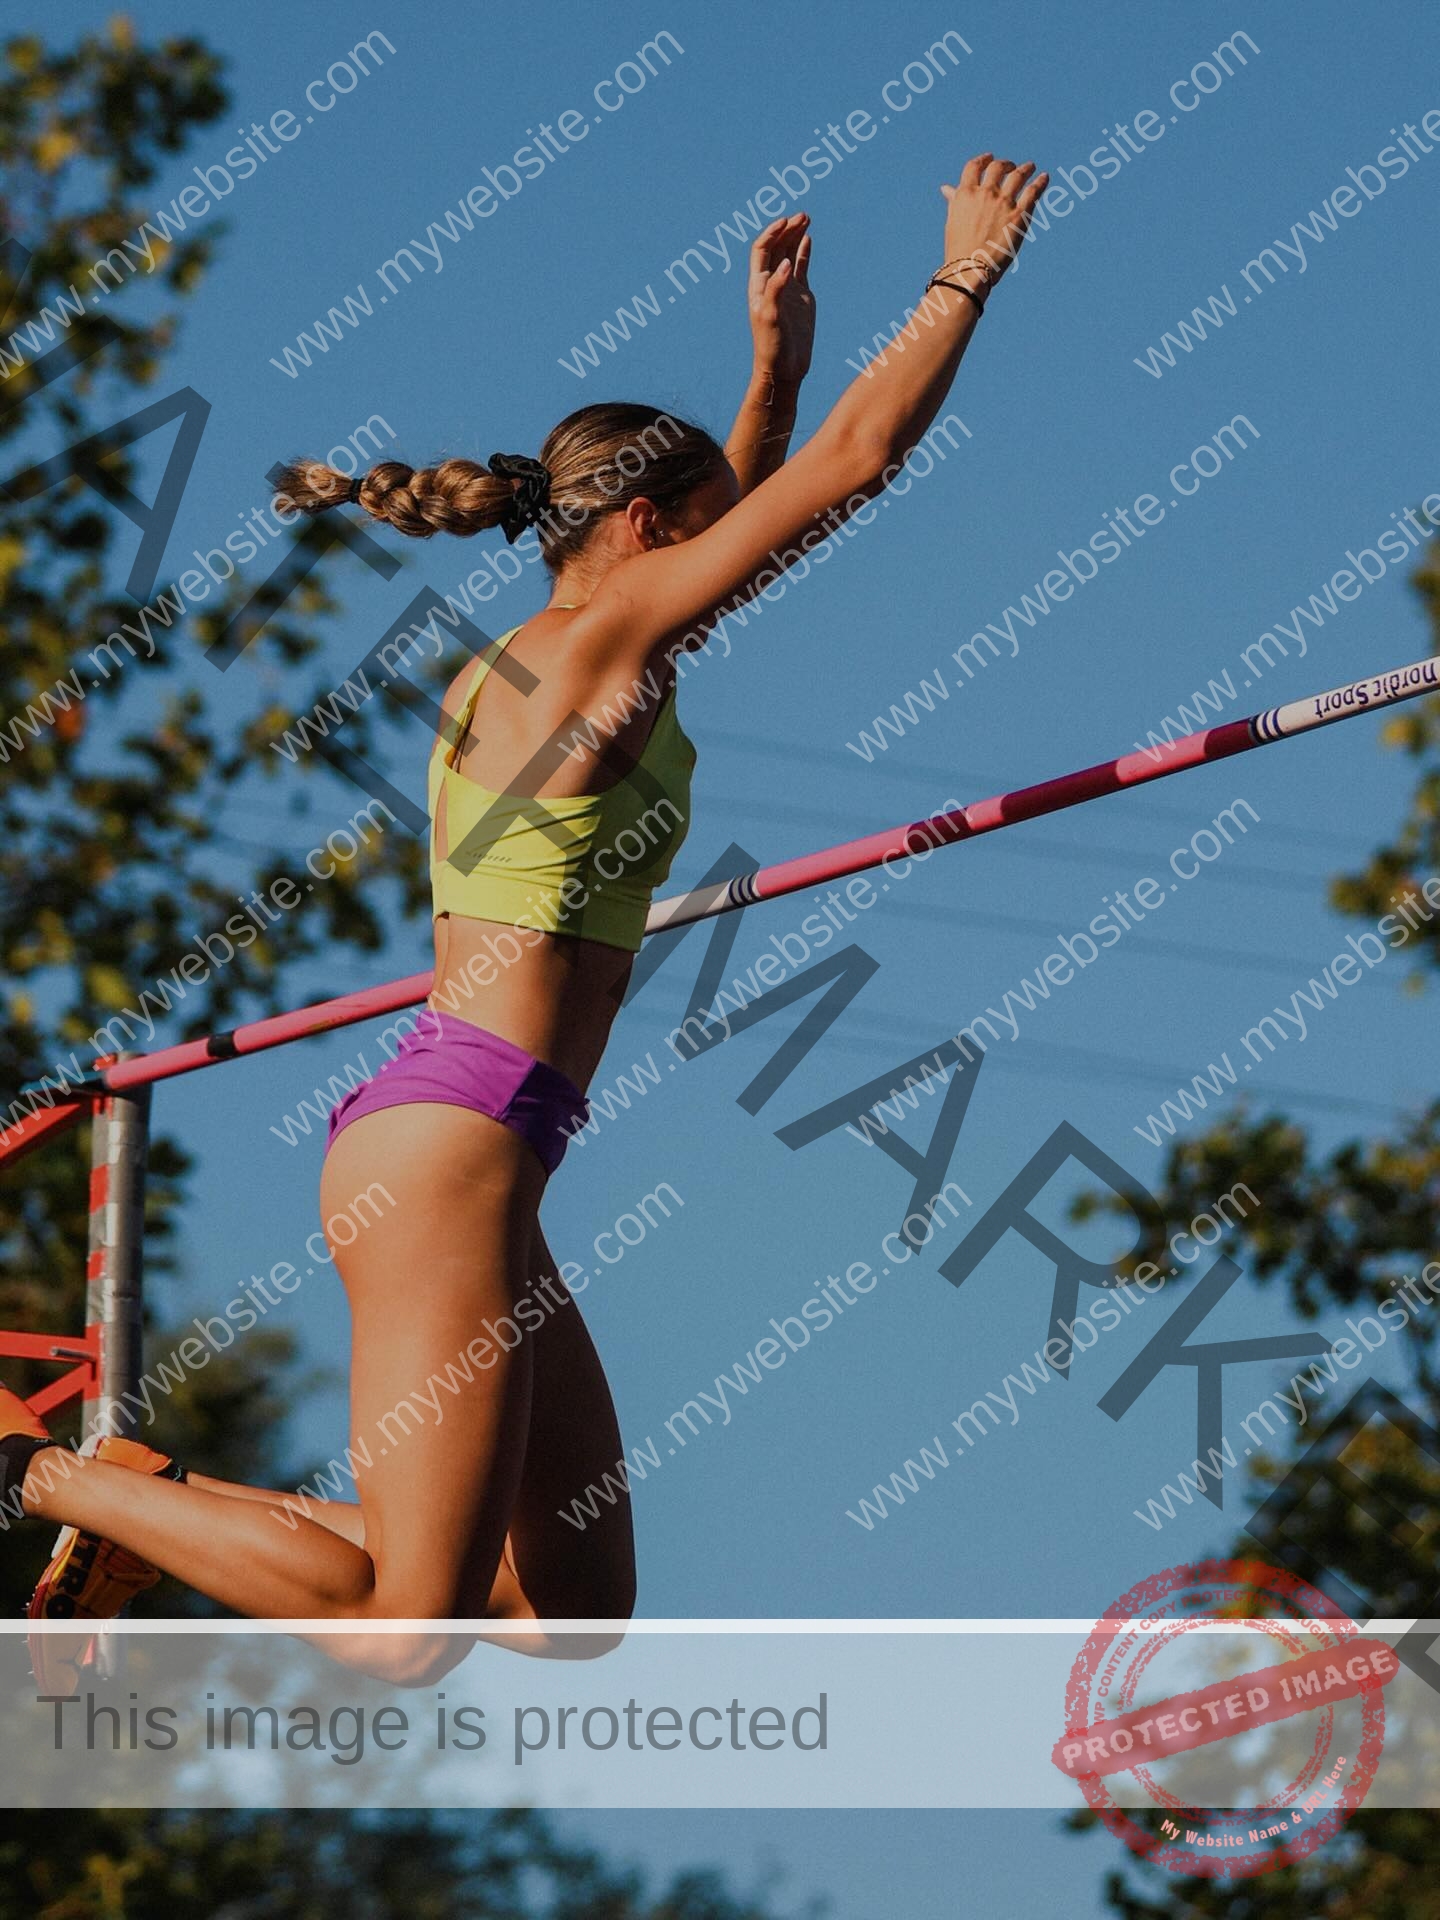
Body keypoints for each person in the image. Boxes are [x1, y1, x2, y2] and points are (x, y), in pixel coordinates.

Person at [5, 157, 1046, 1688]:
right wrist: (966, 275)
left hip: (483, 1153)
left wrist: (774, 367)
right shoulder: (597, 645)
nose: (727, 560)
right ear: (644, 528)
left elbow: (763, 500)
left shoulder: (565, 640)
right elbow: (851, 470)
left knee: (568, 1611)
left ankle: (144, 1507)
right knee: (406, 1637)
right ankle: (51, 1477)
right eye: (700, 530)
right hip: (445, 1153)